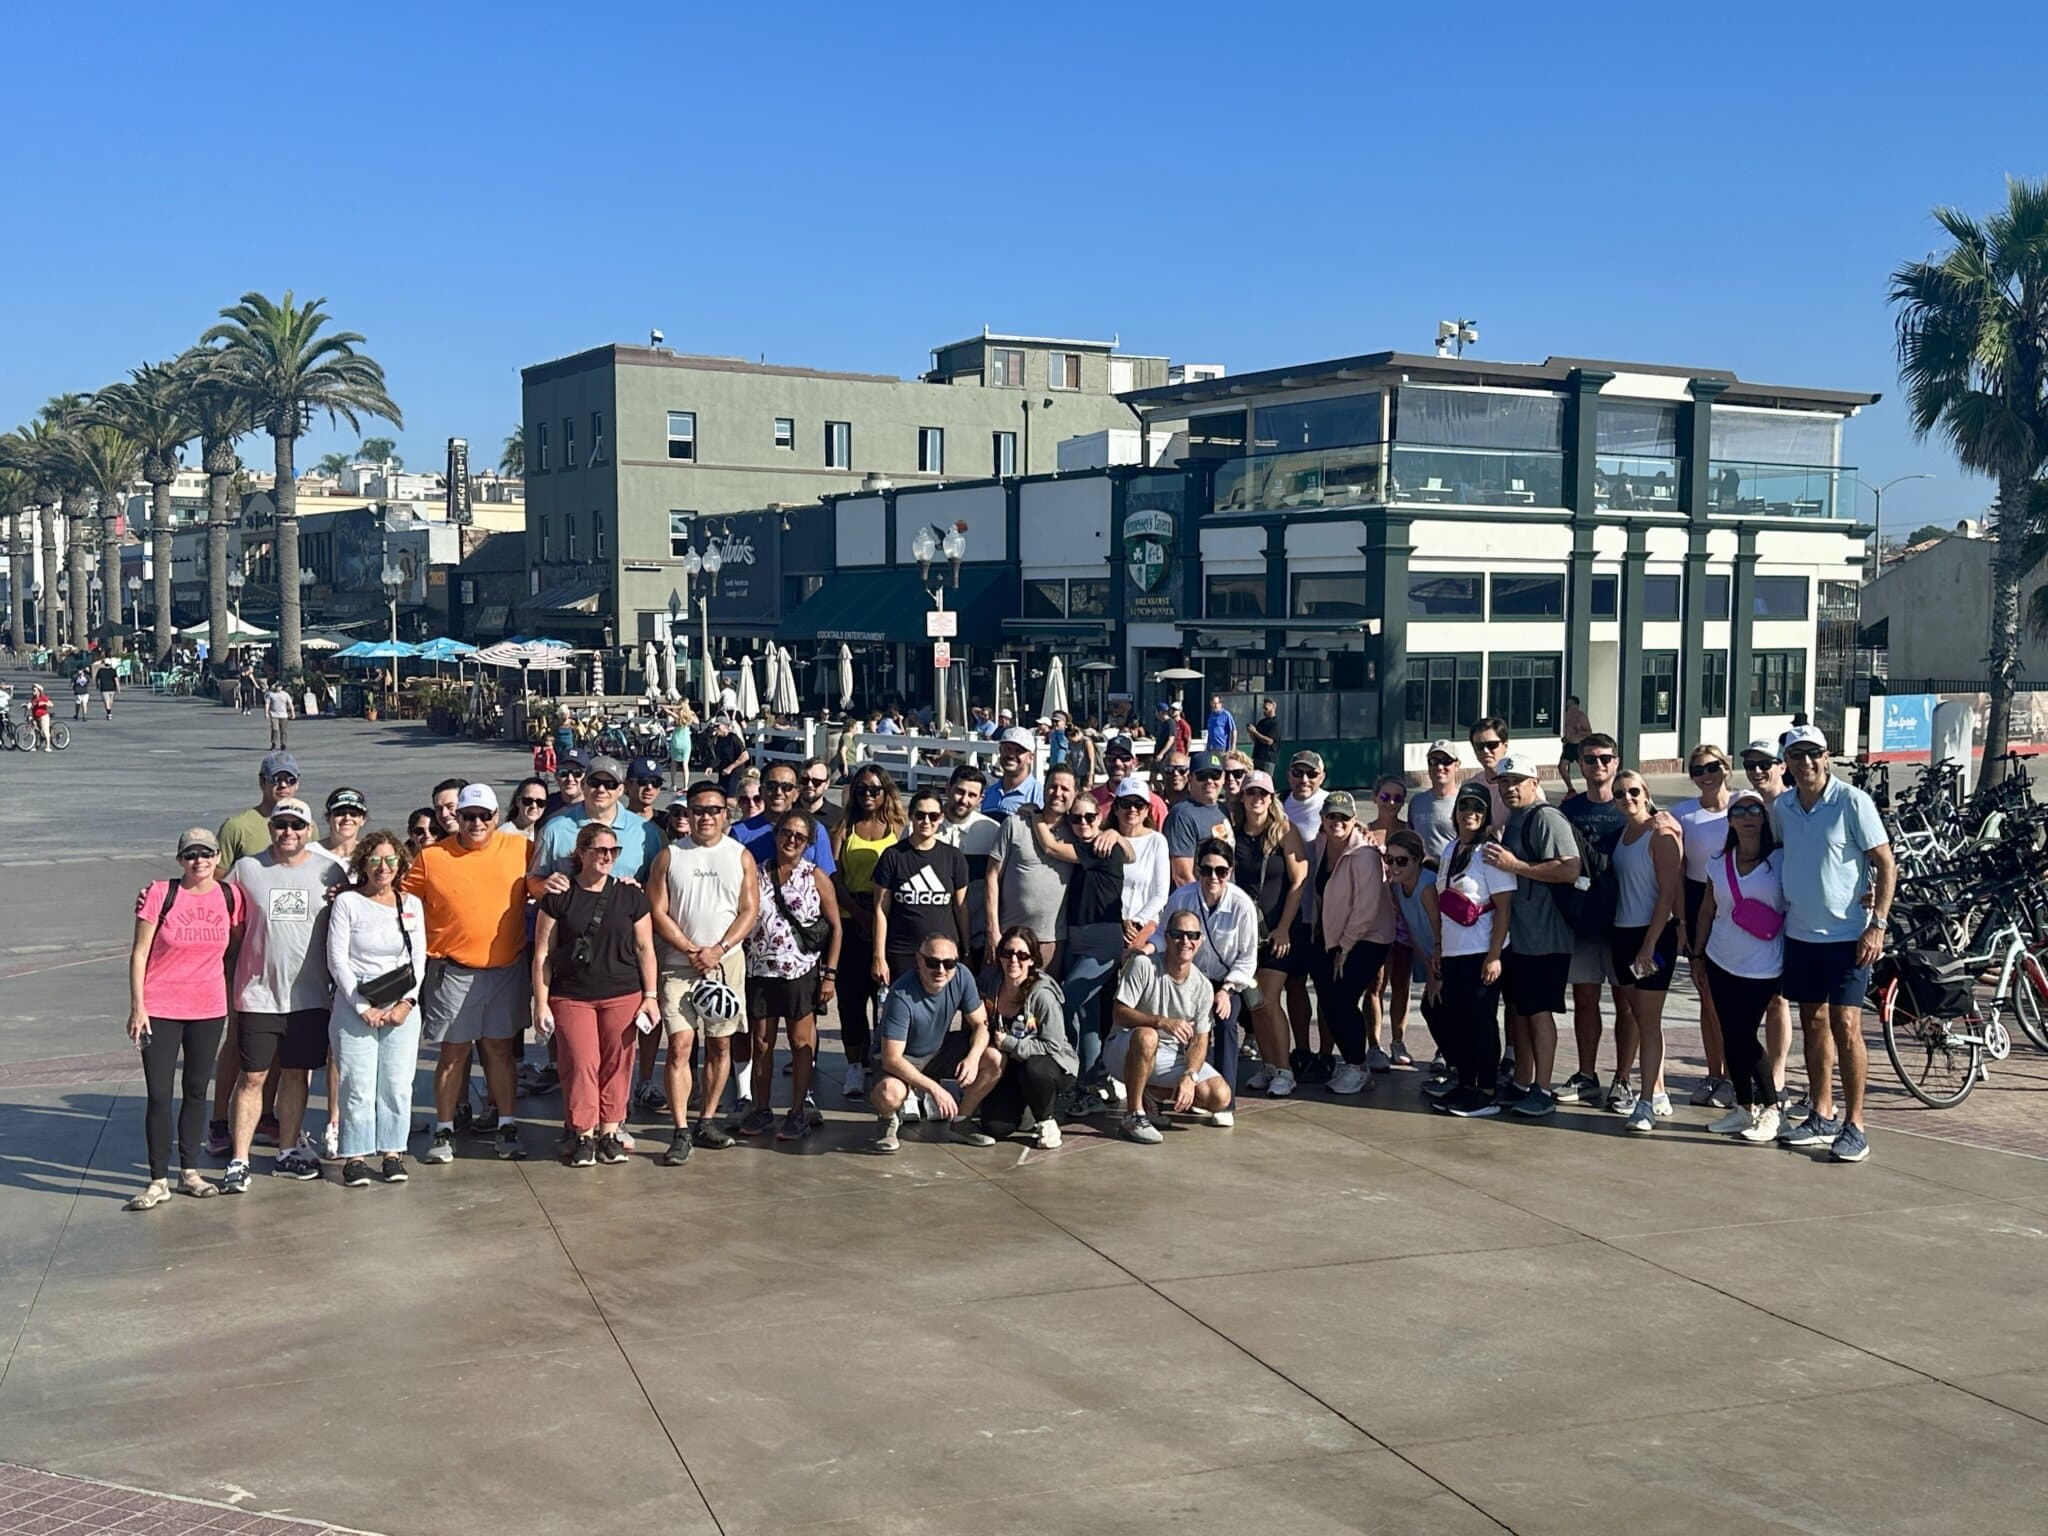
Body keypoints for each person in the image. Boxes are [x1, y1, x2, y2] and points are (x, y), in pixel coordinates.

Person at [1770, 726, 1894, 1164]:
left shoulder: (1852, 801)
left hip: (1849, 938)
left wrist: (1876, 924)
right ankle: (1822, 1113)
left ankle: (1855, 1124)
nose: (1805, 763)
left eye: (1814, 754)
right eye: (1797, 755)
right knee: (1813, 1022)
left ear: (1827, 757)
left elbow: (1885, 862)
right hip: (1801, 934)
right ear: (1786, 761)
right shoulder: (1782, 807)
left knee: (1847, 1026)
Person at [219, 797, 349, 1192]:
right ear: (270, 828)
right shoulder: (247, 869)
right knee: (253, 1077)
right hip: (258, 995)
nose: (288, 832)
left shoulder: (331, 871)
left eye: (296, 825)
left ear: (309, 830)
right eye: (281, 825)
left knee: (297, 1074)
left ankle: (287, 1151)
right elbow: (222, 916)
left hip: (310, 998)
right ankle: (239, 1160)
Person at [405, 783, 535, 1165]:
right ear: (456, 818)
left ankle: (506, 1124)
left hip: (505, 971)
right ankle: (444, 1129)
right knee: (453, 1053)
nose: (476, 823)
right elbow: (399, 899)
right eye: (468, 816)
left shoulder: (520, 849)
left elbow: (548, 881)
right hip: (452, 972)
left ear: (497, 817)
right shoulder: (431, 857)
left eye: (484, 816)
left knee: (499, 1051)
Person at [124, 827, 241, 1208]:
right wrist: (137, 1006)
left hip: (207, 1008)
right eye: (191, 854)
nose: (199, 861)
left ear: (217, 858)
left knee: (195, 1090)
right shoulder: (161, 893)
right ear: (180, 860)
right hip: (160, 1008)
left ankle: (189, 1170)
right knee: (159, 1095)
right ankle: (157, 1179)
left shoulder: (229, 895)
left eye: (206, 853)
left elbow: (237, 945)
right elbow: (140, 952)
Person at [532, 821, 660, 1167]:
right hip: (572, 994)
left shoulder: (630, 895)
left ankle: (609, 1131)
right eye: (600, 850)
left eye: (612, 851)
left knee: (618, 1063)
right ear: (582, 853)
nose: (607, 857)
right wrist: (540, 1002)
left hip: (623, 991)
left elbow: (645, 948)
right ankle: (583, 1132)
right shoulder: (558, 897)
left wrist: (650, 996)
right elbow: (543, 952)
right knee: (580, 1062)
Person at [646, 779, 759, 1161]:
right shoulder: (670, 856)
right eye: (697, 810)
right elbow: (657, 911)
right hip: (679, 967)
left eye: (713, 810)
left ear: (726, 814)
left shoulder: (740, 855)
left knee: (720, 1043)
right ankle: (680, 1128)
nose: (705, 817)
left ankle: (706, 1119)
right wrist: (691, 949)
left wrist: (720, 949)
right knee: (679, 1045)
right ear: (686, 814)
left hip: (725, 966)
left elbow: (749, 910)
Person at [325, 831, 427, 1187]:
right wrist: (362, 1005)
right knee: (358, 1084)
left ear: (399, 864)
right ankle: (355, 1155)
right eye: (374, 860)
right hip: (355, 1001)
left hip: (401, 1000)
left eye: (390, 860)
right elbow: (337, 960)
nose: (382, 868)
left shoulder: (410, 904)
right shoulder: (347, 903)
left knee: (397, 1084)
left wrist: (405, 1004)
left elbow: (418, 960)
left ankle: (392, 1152)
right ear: (363, 864)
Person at [1482, 752, 1579, 1117]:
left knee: (1539, 1012)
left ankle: (1544, 1087)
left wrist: (1516, 865)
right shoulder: (1516, 819)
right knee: (1520, 1012)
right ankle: (1523, 1082)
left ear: (1534, 783)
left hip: (1547, 936)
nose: (1509, 788)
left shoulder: (1546, 817)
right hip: (1521, 937)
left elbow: (1570, 869)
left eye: (1517, 781)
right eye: (1503, 783)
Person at [741, 808, 840, 1141]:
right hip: (760, 970)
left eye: (800, 837)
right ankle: (761, 1108)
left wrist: (830, 975)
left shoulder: (815, 877)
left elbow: (836, 927)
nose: (791, 841)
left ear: (808, 842)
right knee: (762, 1043)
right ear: (776, 834)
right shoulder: (755, 873)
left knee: (800, 1043)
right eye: (787, 833)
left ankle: (797, 1111)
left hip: (800, 972)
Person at [1695, 790, 1787, 1142]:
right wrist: (1698, 956)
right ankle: (1742, 1108)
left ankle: (1771, 1109)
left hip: (1763, 964)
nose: (1747, 816)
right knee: (1731, 1036)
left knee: (1745, 1034)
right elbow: (1707, 910)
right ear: (1730, 820)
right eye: (1739, 811)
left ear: (1763, 818)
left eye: (1754, 810)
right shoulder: (1718, 862)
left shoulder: (1779, 860)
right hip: (1720, 958)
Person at [1427, 785, 1515, 1115]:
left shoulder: (1489, 852)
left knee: (1481, 1022)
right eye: (1464, 806)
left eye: (1478, 807)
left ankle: (1488, 1090)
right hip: (1453, 951)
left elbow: (1504, 908)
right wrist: (1438, 947)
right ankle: (1465, 1085)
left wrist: (1494, 956)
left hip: (1481, 951)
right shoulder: (1451, 849)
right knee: (1457, 1020)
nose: (1470, 813)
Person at [1557, 733, 1633, 1111]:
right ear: (1580, 766)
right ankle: (1587, 1075)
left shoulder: (1632, 803)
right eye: (1590, 759)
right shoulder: (1569, 809)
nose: (1598, 765)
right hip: (1585, 920)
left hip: (1626, 918)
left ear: (1616, 762)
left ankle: (1623, 1079)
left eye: (1605, 758)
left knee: (1627, 1002)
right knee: (1585, 999)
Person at [1108, 918, 1232, 1143]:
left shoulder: (1203, 986)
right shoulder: (1143, 965)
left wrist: (1190, 1075)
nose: (1185, 941)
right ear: (1166, 937)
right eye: (1178, 934)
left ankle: (1152, 1093)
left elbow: (1200, 1041)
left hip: (1167, 1056)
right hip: (1125, 1050)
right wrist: (1161, 1021)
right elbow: (1118, 1014)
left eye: (1193, 935)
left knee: (1220, 1097)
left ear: (1200, 941)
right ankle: (1133, 1115)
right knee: (1148, 1035)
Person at [1609, 771, 1685, 1134]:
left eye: (1634, 791)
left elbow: (1667, 896)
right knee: (1637, 1017)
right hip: (1621, 935)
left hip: (1652, 937)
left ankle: (1645, 1103)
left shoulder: (1662, 833)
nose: (1628, 798)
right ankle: (1657, 1090)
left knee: (1649, 1021)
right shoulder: (1622, 836)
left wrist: (1650, 944)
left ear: (1647, 793)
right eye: (1620, 793)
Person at [1156, 837, 1257, 1106]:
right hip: (1191, 979)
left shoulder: (1241, 904)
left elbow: (1247, 959)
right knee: (1184, 1029)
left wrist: (1226, 991)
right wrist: (1143, 951)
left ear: (1230, 872)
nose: (1213, 877)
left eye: (1221, 871)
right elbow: (1161, 934)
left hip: (1228, 981)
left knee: (1225, 1021)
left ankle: (1225, 1101)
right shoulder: (1182, 897)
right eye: (1206, 870)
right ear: (1198, 870)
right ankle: (1187, 1092)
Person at [953, 925, 1075, 1147]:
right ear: (999, 956)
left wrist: (1010, 1043)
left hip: (1049, 1064)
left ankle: (1046, 1120)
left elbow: (1054, 1046)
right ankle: (1024, 1107)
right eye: (1007, 953)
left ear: (1032, 960)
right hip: (1008, 1066)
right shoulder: (991, 984)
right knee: (996, 1128)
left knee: (1035, 1070)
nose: (1014, 960)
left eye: (1022, 955)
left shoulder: (1043, 995)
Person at [868, 933, 990, 1152]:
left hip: (937, 1051)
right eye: (932, 962)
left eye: (949, 963)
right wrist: (936, 1090)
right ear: (919, 960)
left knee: (993, 1058)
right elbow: (891, 1059)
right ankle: (887, 1120)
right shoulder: (901, 994)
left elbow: (982, 1024)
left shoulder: (962, 977)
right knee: (889, 1092)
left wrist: (973, 1058)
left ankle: (961, 1121)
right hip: (903, 1058)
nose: (941, 970)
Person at [1230, 769, 1308, 1096]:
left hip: (1281, 932)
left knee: (1271, 998)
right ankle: (1269, 1064)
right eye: (1251, 793)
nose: (1257, 799)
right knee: (1255, 1002)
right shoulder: (1233, 835)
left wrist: (1284, 928)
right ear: (1243, 798)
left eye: (1263, 794)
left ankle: (1286, 1069)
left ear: (1272, 798)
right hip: (1248, 935)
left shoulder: (1285, 832)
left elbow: (1299, 881)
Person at [1308, 792, 1392, 1096]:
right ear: (1323, 819)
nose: (1337, 822)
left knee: (1342, 999)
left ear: (1354, 820)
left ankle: (1358, 1067)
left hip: (1368, 937)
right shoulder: (1320, 844)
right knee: (1330, 1001)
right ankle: (1353, 1063)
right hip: (1334, 935)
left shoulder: (1365, 854)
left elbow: (1366, 908)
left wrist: (1344, 947)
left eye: (1344, 817)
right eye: (1332, 816)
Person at [830, 767, 906, 1099]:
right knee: (851, 998)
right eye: (861, 790)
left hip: (887, 920)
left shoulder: (898, 828)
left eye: (875, 789)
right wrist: (857, 912)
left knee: (886, 999)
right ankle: (853, 1067)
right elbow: (834, 875)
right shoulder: (845, 828)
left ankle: (883, 1064)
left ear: (886, 791)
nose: (868, 795)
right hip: (851, 916)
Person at [1672, 745, 1736, 1108]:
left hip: (1739, 901)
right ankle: (1716, 1074)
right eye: (1698, 770)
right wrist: (1681, 922)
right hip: (1700, 903)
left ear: (1726, 766)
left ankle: (1742, 1074)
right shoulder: (1683, 814)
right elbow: (1678, 873)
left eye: (1712, 767)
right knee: (1707, 996)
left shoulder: (1747, 802)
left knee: (1739, 999)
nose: (1706, 774)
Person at [1739, 736, 1796, 1103]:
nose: (1757, 771)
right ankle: (1748, 1074)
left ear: (1781, 766)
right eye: (1750, 765)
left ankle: (1777, 1073)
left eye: (1765, 764)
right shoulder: (1750, 806)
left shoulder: (1794, 805)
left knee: (1780, 999)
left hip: (1797, 910)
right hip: (1760, 914)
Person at [872, 790, 970, 984]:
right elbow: (881, 910)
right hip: (902, 952)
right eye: (920, 815)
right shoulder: (893, 856)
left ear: (941, 818)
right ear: (911, 816)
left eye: (933, 816)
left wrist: (966, 950)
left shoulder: (953, 857)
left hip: (944, 954)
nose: (926, 821)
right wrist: (879, 957)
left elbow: (961, 908)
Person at [987, 764, 1077, 969]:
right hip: (1009, 936)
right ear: (1043, 788)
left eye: (1065, 789)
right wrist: (993, 929)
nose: (1058, 793)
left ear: (1075, 794)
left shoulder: (1078, 831)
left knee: (1045, 998)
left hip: (1052, 940)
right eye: (1053, 786)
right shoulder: (1015, 823)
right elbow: (992, 876)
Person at [529, 755, 663, 886]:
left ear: (621, 789)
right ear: (583, 785)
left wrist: (639, 891)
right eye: (594, 783)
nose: (601, 790)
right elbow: (533, 879)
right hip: (569, 907)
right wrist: (543, 886)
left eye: (610, 784)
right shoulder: (554, 829)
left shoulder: (646, 832)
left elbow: (658, 886)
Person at [1382, 828, 1447, 1087]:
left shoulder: (1427, 885)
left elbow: (1439, 932)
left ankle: (1457, 1066)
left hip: (1450, 956)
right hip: (1431, 958)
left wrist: (1439, 972)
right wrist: (1429, 971)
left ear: (1418, 860)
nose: (1394, 866)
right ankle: (1452, 1063)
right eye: (1390, 859)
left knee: (1442, 1009)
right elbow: (1413, 934)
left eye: (1401, 861)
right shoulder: (1397, 887)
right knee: (1433, 1008)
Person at [1365, 773, 1414, 1069]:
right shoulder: (1365, 832)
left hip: (1405, 919)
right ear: (1375, 798)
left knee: (1401, 982)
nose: (1392, 802)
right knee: (1375, 983)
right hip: (1375, 918)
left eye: (1398, 798)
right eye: (1386, 797)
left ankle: (1398, 1039)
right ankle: (1374, 1044)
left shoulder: (1409, 832)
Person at [929, 764, 1000, 961]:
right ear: (947, 788)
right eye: (959, 791)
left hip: (978, 936)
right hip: (933, 935)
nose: (964, 799)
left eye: (971, 795)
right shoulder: (922, 827)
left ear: (981, 799)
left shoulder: (992, 832)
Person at [733, 764, 837, 874]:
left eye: (786, 787)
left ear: (796, 793)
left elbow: (827, 878)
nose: (778, 792)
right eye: (771, 786)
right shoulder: (739, 833)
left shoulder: (815, 830)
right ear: (761, 791)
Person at [1163, 750, 1232, 887]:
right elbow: (1182, 876)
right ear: (1190, 778)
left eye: (1215, 775)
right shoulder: (1182, 815)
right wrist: (1203, 907)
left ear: (1223, 778)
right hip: (1199, 903)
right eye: (1202, 776)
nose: (1210, 781)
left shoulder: (1223, 809)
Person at [1090, 737, 1168, 827]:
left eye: (1124, 758)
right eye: (1111, 758)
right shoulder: (1091, 801)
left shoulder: (1154, 803)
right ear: (1104, 761)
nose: (1118, 763)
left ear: (1135, 762)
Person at [1409, 741, 1463, 861]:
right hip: (1422, 873)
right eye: (1433, 761)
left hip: (1453, 873)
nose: (1439, 767)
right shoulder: (1416, 802)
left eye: (1446, 761)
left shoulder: (1464, 802)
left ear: (1457, 765)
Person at [982, 727, 1043, 820]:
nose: (1011, 755)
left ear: (1030, 757)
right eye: (1007, 749)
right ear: (1000, 751)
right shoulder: (989, 793)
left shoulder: (1038, 796)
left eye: (1018, 751)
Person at [1467, 717, 1512, 827]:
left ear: (1505, 746)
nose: (1486, 751)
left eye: (1492, 745)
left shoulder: (1524, 786)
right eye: (1479, 746)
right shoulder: (1470, 787)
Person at [1282, 750, 1328, 844]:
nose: (1304, 780)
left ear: (1322, 777)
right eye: (1297, 773)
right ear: (1288, 775)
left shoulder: (1331, 804)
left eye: (1312, 774)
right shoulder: (1276, 804)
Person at [316, 787, 368, 867]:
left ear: (363, 820)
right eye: (340, 813)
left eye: (354, 813)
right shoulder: (310, 852)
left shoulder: (369, 854)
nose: (347, 818)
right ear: (328, 818)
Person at [797, 756, 841, 835]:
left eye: (816, 781)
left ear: (827, 784)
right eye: (804, 780)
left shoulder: (839, 817)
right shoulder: (788, 811)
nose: (810, 785)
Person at [709, 714, 751, 796]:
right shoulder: (719, 740)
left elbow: (745, 756)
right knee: (722, 794)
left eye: (718, 726)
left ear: (725, 726)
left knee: (731, 796)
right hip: (723, 771)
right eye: (715, 726)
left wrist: (730, 768)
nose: (715, 728)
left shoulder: (733, 738)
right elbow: (719, 756)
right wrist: (711, 766)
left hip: (735, 772)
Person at [541, 749, 588, 821]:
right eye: (563, 772)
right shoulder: (544, 805)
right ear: (556, 776)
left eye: (577, 773)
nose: (570, 778)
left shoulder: (594, 806)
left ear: (587, 777)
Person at [1558, 695, 1593, 793]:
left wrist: (1577, 735)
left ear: (1576, 705)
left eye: (1571, 704)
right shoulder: (1567, 715)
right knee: (1561, 767)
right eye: (1568, 704)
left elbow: (1588, 732)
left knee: (1584, 767)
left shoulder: (1581, 716)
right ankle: (1570, 788)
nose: (1569, 706)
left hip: (1578, 745)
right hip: (1569, 745)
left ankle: (1592, 785)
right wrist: (1566, 738)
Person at [625, 756, 666, 823]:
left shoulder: (667, 822)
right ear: (627, 785)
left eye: (656, 782)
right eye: (643, 781)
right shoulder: (616, 821)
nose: (649, 787)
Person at [1247, 698, 1279, 773]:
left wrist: (1255, 732)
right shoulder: (1262, 722)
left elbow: (1269, 741)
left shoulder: (1275, 723)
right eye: (1263, 708)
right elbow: (1255, 739)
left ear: (1273, 706)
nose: (1264, 710)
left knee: (1265, 781)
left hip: (1267, 759)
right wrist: (1251, 732)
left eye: (1266, 708)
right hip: (1257, 757)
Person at [264, 677, 295, 750]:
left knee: (283, 730)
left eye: (280, 687)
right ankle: (274, 742)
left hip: (283, 715)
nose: (279, 688)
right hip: (274, 714)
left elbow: (290, 703)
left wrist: (292, 713)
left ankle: (283, 743)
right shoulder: (270, 694)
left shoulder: (285, 694)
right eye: (277, 686)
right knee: (275, 729)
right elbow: (267, 704)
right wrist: (266, 713)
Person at [27, 682, 53, 749]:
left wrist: (44, 703)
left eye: (34, 690)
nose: (33, 692)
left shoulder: (43, 697)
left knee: (45, 730)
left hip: (43, 716)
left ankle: (48, 747)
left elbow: (51, 704)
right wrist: (27, 705)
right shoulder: (33, 698)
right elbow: (30, 704)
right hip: (35, 716)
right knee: (35, 730)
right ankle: (35, 746)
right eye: (32, 690)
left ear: (38, 691)